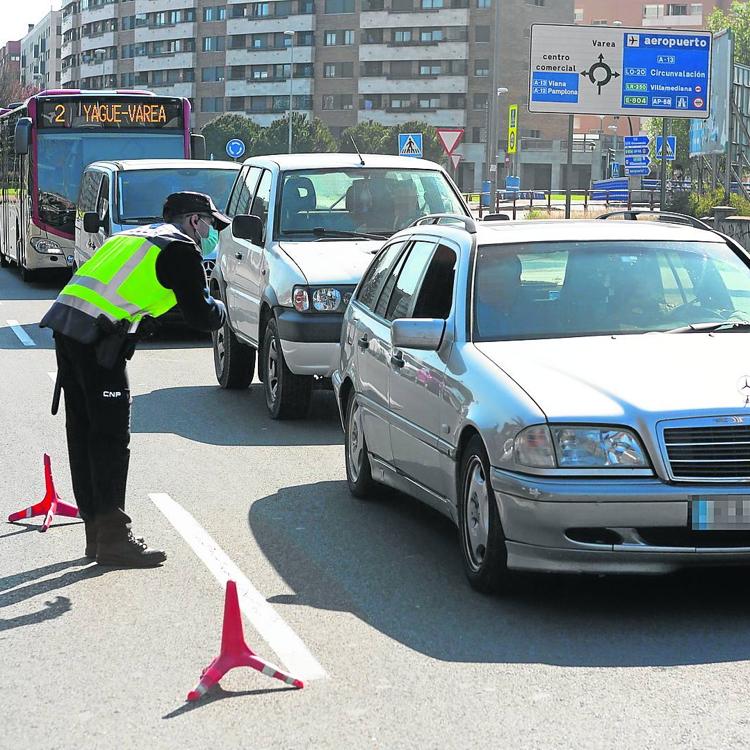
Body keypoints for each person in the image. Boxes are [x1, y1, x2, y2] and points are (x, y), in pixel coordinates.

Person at [40, 192, 228, 568]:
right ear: (194, 221)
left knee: (84, 433)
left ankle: (96, 533)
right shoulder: (181, 249)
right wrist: (223, 310)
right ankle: (113, 538)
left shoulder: (135, 236)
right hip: (95, 339)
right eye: (210, 225)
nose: (212, 234)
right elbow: (199, 314)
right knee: (110, 437)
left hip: (67, 329)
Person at [474, 253, 523, 338]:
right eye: (487, 284)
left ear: (518, 282)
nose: (495, 289)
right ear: (476, 285)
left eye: (502, 283)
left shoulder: (538, 312)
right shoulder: (469, 316)